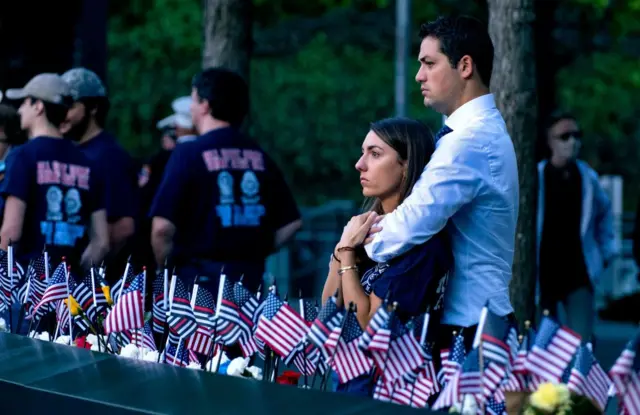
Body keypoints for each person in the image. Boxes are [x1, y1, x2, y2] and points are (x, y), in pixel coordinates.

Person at [364, 15, 519, 352]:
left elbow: (406, 229)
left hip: (471, 328)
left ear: (465, 66)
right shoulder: (471, 134)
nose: (420, 75)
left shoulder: (470, 141)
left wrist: (358, 238)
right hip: (473, 321)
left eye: (429, 63)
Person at [322, 117, 453, 397]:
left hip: (388, 390)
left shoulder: (421, 244)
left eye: (375, 154)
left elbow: (368, 324)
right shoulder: (367, 229)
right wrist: (342, 249)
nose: (360, 164)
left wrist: (346, 256)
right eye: (362, 152)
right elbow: (330, 308)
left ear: (406, 165)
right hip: (348, 378)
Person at [149, 67, 302, 297]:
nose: (191, 107)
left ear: (205, 105)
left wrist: (166, 271)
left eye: (193, 100)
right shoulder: (259, 155)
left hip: (197, 289)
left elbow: (162, 229)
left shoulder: (188, 153)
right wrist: (258, 249)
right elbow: (292, 223)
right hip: (250, 285)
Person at [0, 73, 109, 269]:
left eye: (25, 102)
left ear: (38, 106)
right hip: (71, 291)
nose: (20, 109)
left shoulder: (23, 156)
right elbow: (101, 242)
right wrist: (75, 277)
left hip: (29, 288)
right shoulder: (89, 163)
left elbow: (11, 232)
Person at [537, 111, 617, 342]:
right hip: (544, 274)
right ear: (550, 140)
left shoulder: (587, 178)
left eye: (576, 135)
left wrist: (605, 253)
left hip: (578, 273)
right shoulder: (537, 176)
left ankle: (581, 380)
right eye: (564, 136)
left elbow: (605, 216)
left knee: (583, 342)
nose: (572, 142)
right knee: (543, 343)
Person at [60, 68, 139, 281]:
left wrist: (88, 274)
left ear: (93, 107)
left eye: (70, 105)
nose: (61, 113)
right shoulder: (74, 152)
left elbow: (122, 227)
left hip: (100, 288)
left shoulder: (108, 157)